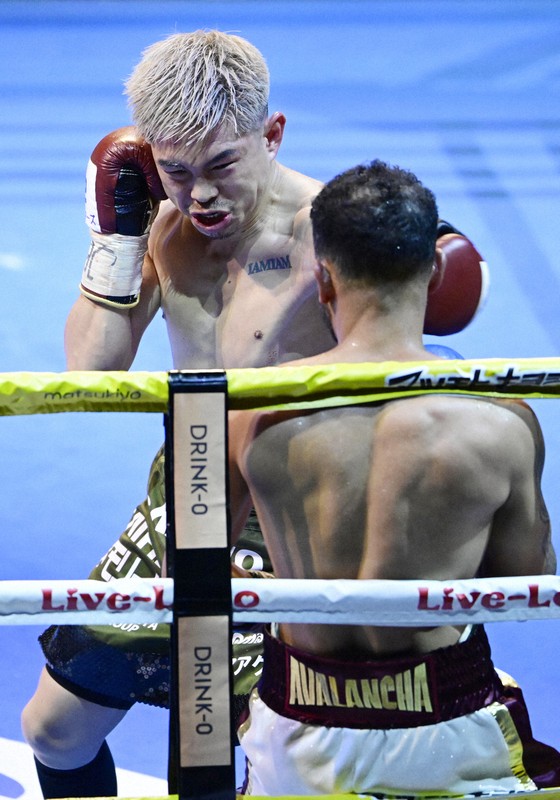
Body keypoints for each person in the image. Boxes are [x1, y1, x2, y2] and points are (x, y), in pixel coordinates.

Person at [21, 31, 486, 799]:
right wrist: (115, 240)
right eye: (175, 171)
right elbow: (92, 371)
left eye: (221, 166)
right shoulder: (164, 233)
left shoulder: (328, 235)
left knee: (268, 752)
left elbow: (429, 323)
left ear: (272, 134)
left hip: (297, 517)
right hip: (184, 500)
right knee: (54, 730)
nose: (198, 194)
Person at [228, 159, 560, 796]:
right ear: (436, 271)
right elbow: (526, 582)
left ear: (322, 278)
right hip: (445, 716)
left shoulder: (255, 408)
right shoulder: (499, 419)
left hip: (297, 724)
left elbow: (201, 556)